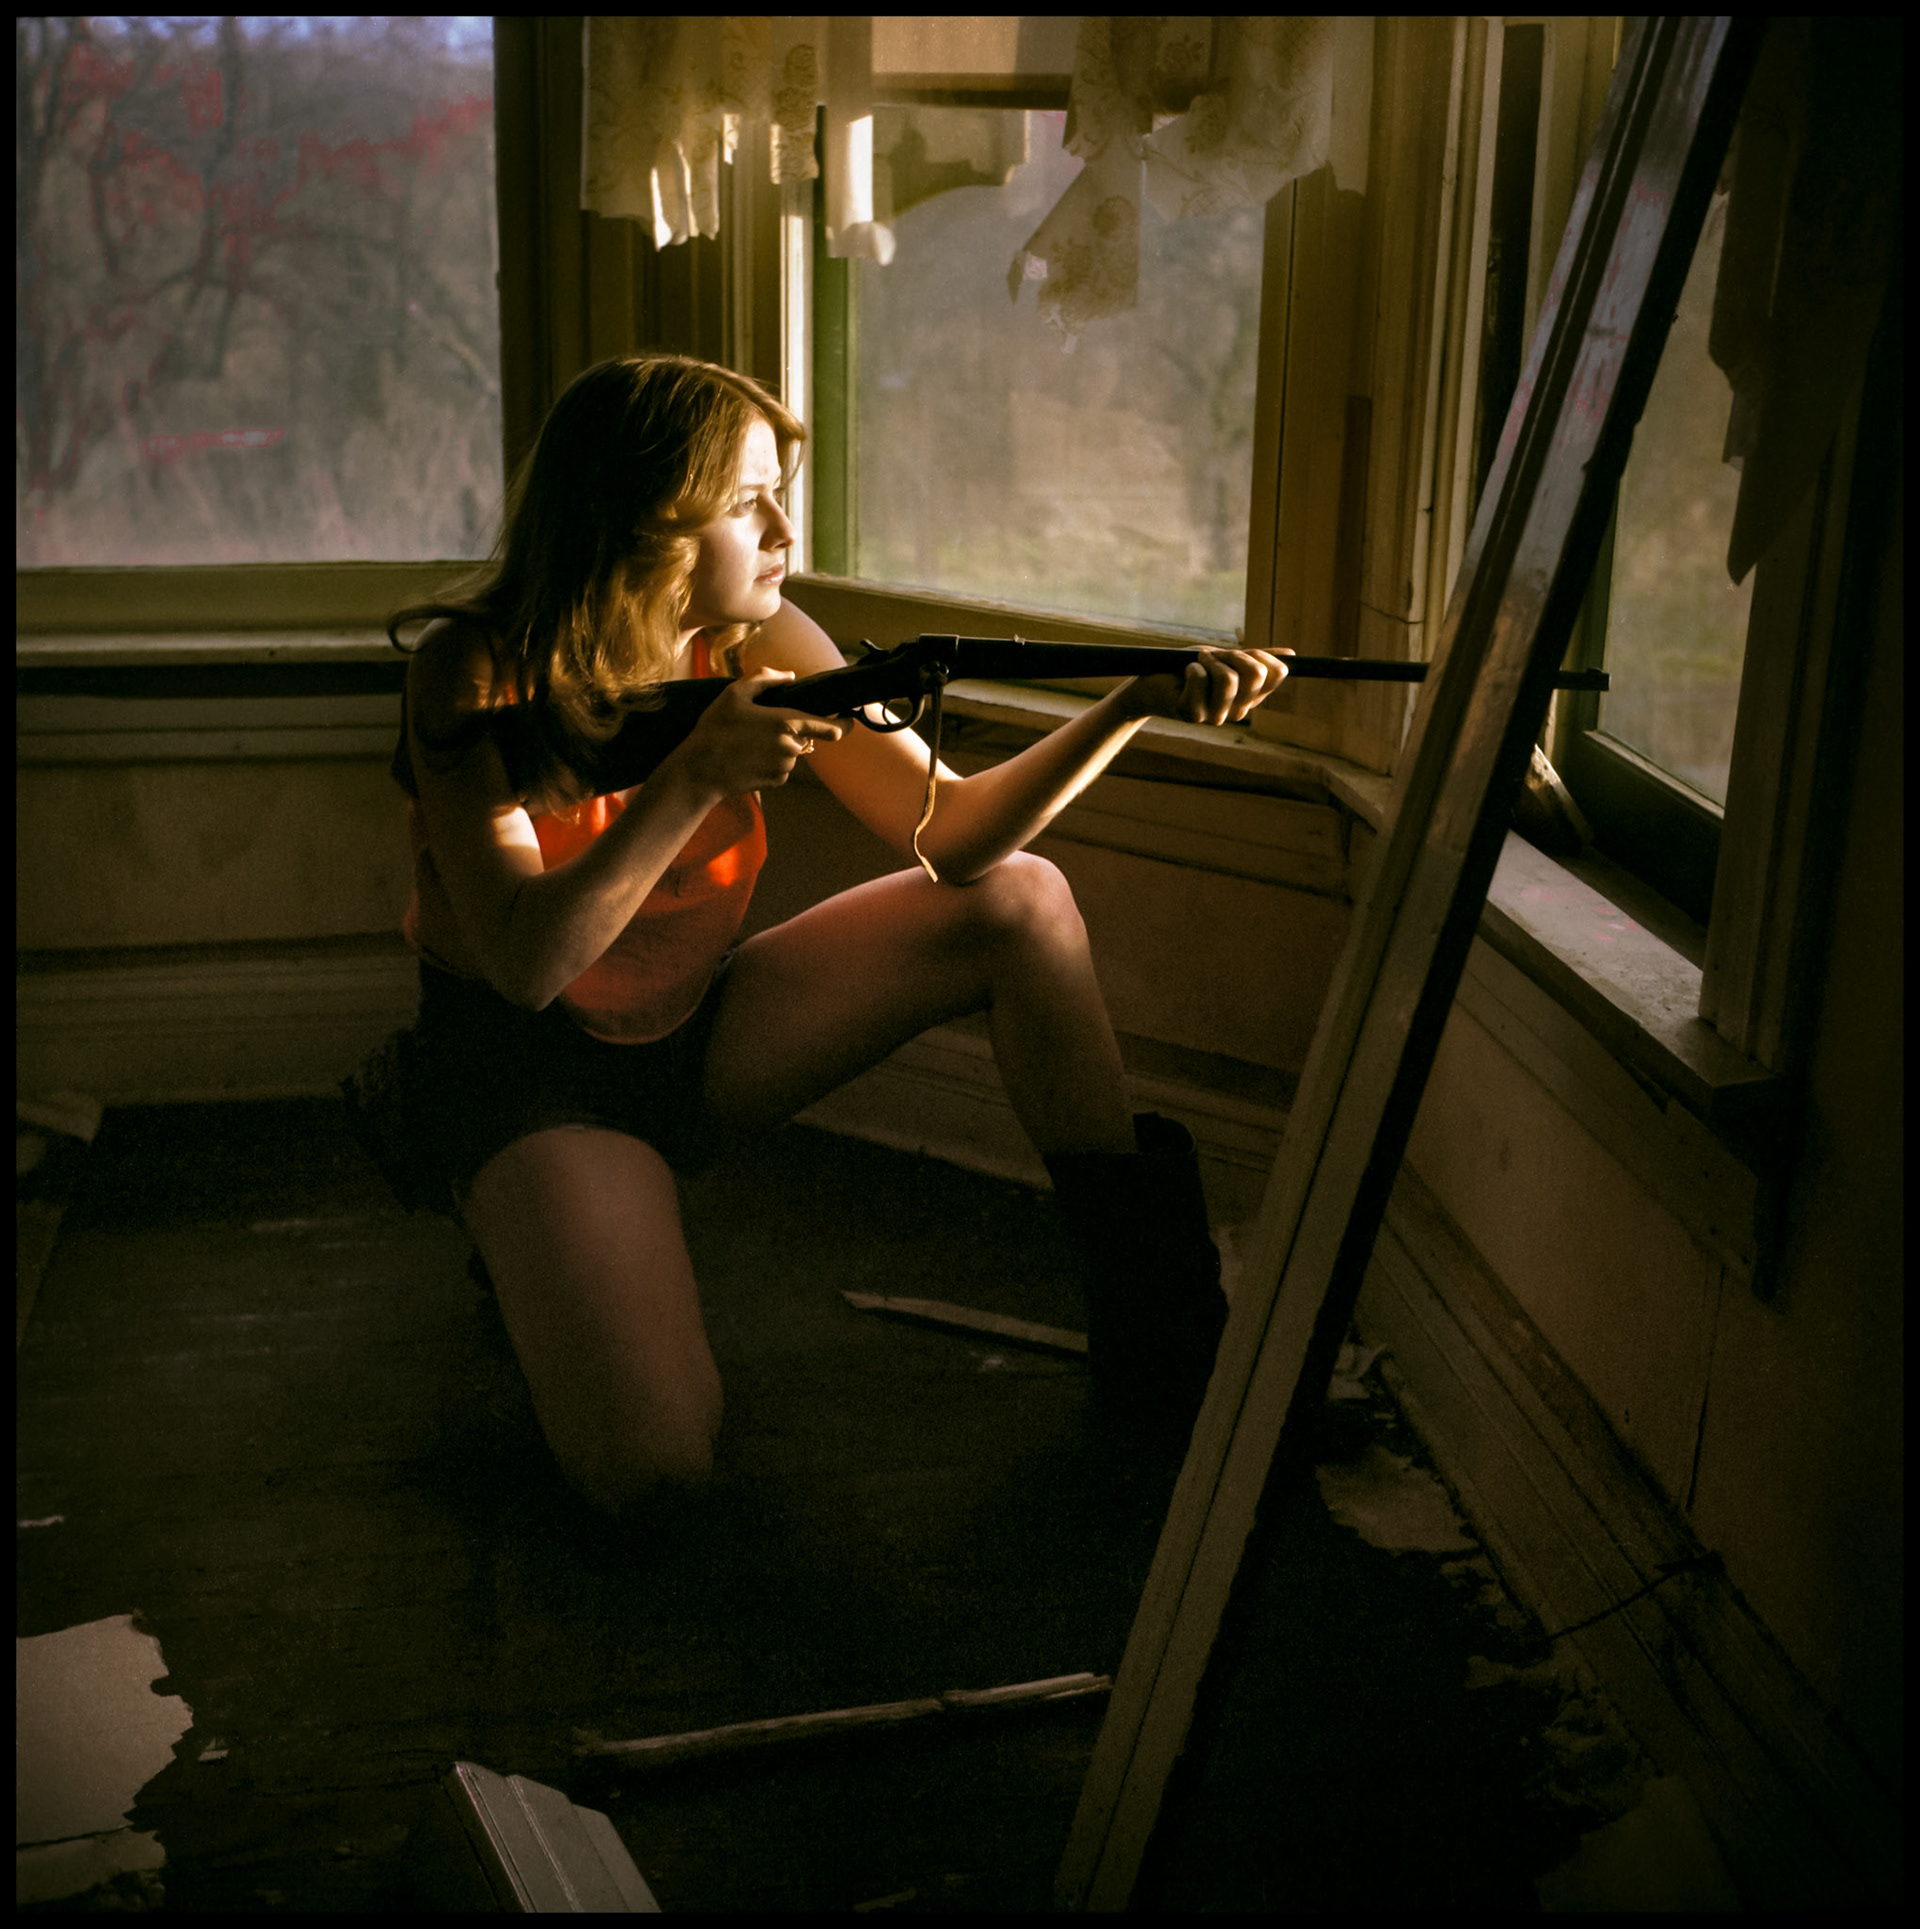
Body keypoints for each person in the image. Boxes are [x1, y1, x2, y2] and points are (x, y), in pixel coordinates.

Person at [362, 353, 1288, 1520]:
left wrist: (1133, 705)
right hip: (529, 1079)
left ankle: (1167, 1341)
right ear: (651, 518)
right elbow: (527, 964)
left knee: (1024, 901)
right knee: (653, 1474)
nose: (786, 527)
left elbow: (953, 836)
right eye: (749, 501)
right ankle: (520, 1235)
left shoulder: (764, 637)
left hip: (695, 1035)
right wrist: (693, 779)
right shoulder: (476, 668)